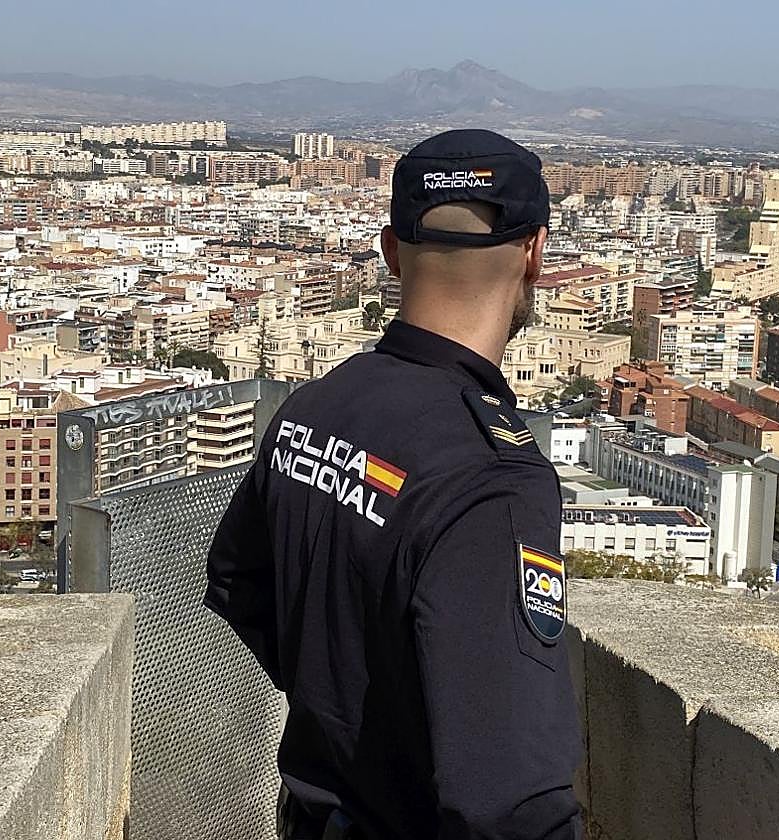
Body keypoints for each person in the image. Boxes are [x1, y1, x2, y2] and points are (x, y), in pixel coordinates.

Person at [205, 129, 582, 839]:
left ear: (390, 250)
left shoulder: (318, 404)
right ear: (534, 253)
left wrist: (343, 705)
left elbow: (236, 582)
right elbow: (511, 799)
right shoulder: (492, 476)